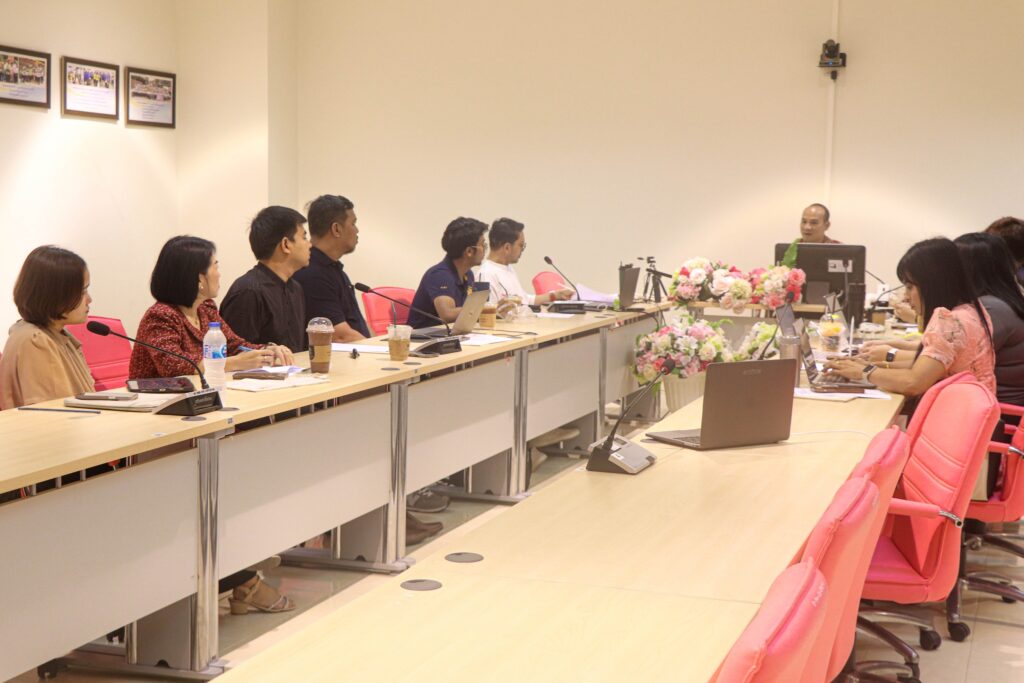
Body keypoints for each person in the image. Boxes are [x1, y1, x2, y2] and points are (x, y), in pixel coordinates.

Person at [129, 235, 294, 613]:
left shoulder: (206, 310)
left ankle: (242, 573)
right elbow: (179, 370)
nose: (220, 272)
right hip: (163, 434)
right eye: (215, 265)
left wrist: (267, 351)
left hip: (203, 421)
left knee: (238, 484)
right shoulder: (160, 317)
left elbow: (235, 345)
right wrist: (236, 362)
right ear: (198, 277)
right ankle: (240, 581)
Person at [827, 237, 995, 398]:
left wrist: (864, 372)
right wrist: (873, 367)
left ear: (932, 284)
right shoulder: (972, 310)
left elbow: (914, 383)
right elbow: (926, 367)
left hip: (952, 413)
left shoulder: (950, 321)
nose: (906, 297)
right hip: (968, 410)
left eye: (910, 287)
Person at [1, 246, 95, 409]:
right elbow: (53, 413)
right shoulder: (35, 341)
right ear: (56, 294)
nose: (89, 299)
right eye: (82, 292)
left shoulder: (56, 333)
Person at [221, 206, 311, 351]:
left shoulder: (296, 288)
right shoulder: (248, 291)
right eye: (304, 237)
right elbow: (235, 352)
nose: (309, 244)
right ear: (286, 244)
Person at [292, 195, 370, 342]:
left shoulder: (335, 270)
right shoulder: (312, 275)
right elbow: (340, 336)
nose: (357, 230)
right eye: (353, 223)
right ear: (336, 229)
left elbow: (356, 322)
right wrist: (382, 351)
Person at [476, 218, 574, 313]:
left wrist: (555, 295)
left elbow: (525, 301)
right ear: (507, 247)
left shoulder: (508, 268)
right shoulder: (486, 275)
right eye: (521, 245)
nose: (522, 250)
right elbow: (490, 315)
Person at [407, 218, 488, 328]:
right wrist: (486, 309)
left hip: (452, 334)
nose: (485, 249)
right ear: (469, 251)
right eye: (483, 244)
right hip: (424, 336)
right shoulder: (439, 275)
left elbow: (467, 313)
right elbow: (448, 315)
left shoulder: (468, 274)